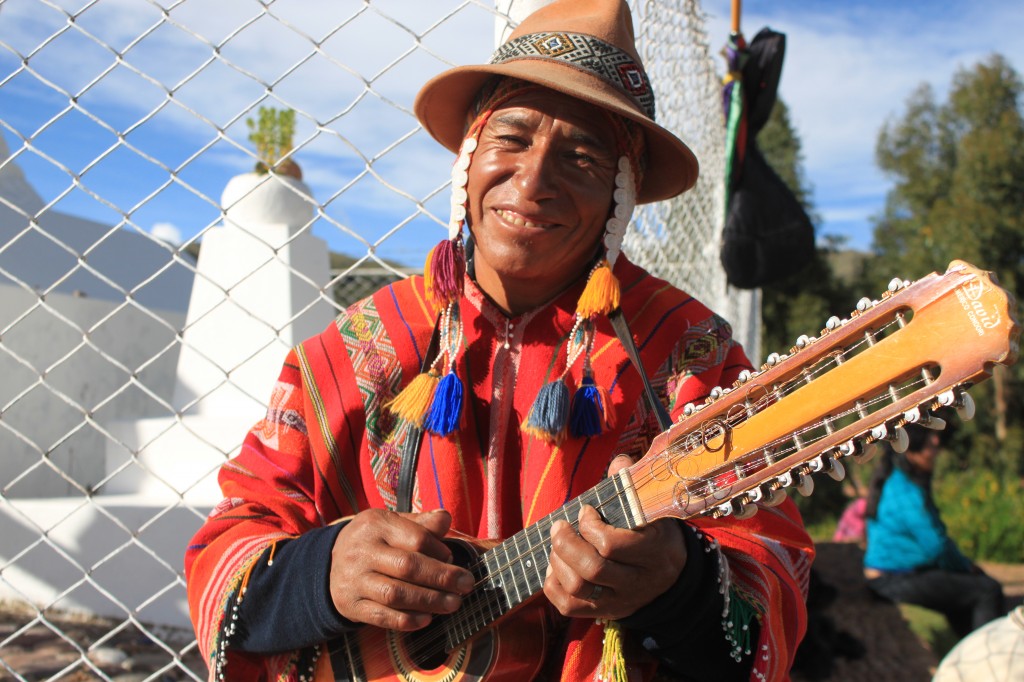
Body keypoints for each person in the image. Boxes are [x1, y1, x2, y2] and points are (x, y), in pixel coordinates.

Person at [184, 1, 813, 680]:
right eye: (511, 139)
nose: (535, 180)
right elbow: (227, 545)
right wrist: (322, 575)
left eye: (581, 157)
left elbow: (773, 574)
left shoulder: (691, 356)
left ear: (620, 194)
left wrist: (680, 587)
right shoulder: (355, 349)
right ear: (468, 157)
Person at [863, 423, 1006, 639]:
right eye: (931, 447)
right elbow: (936, 546)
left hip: (899, 576)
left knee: (964, 592)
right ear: (912, 451)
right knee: (987, 589)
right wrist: (967, 567)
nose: (936, 453)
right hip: (892, 581)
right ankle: (992, 658)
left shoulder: (899, 481)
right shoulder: (904, 490)